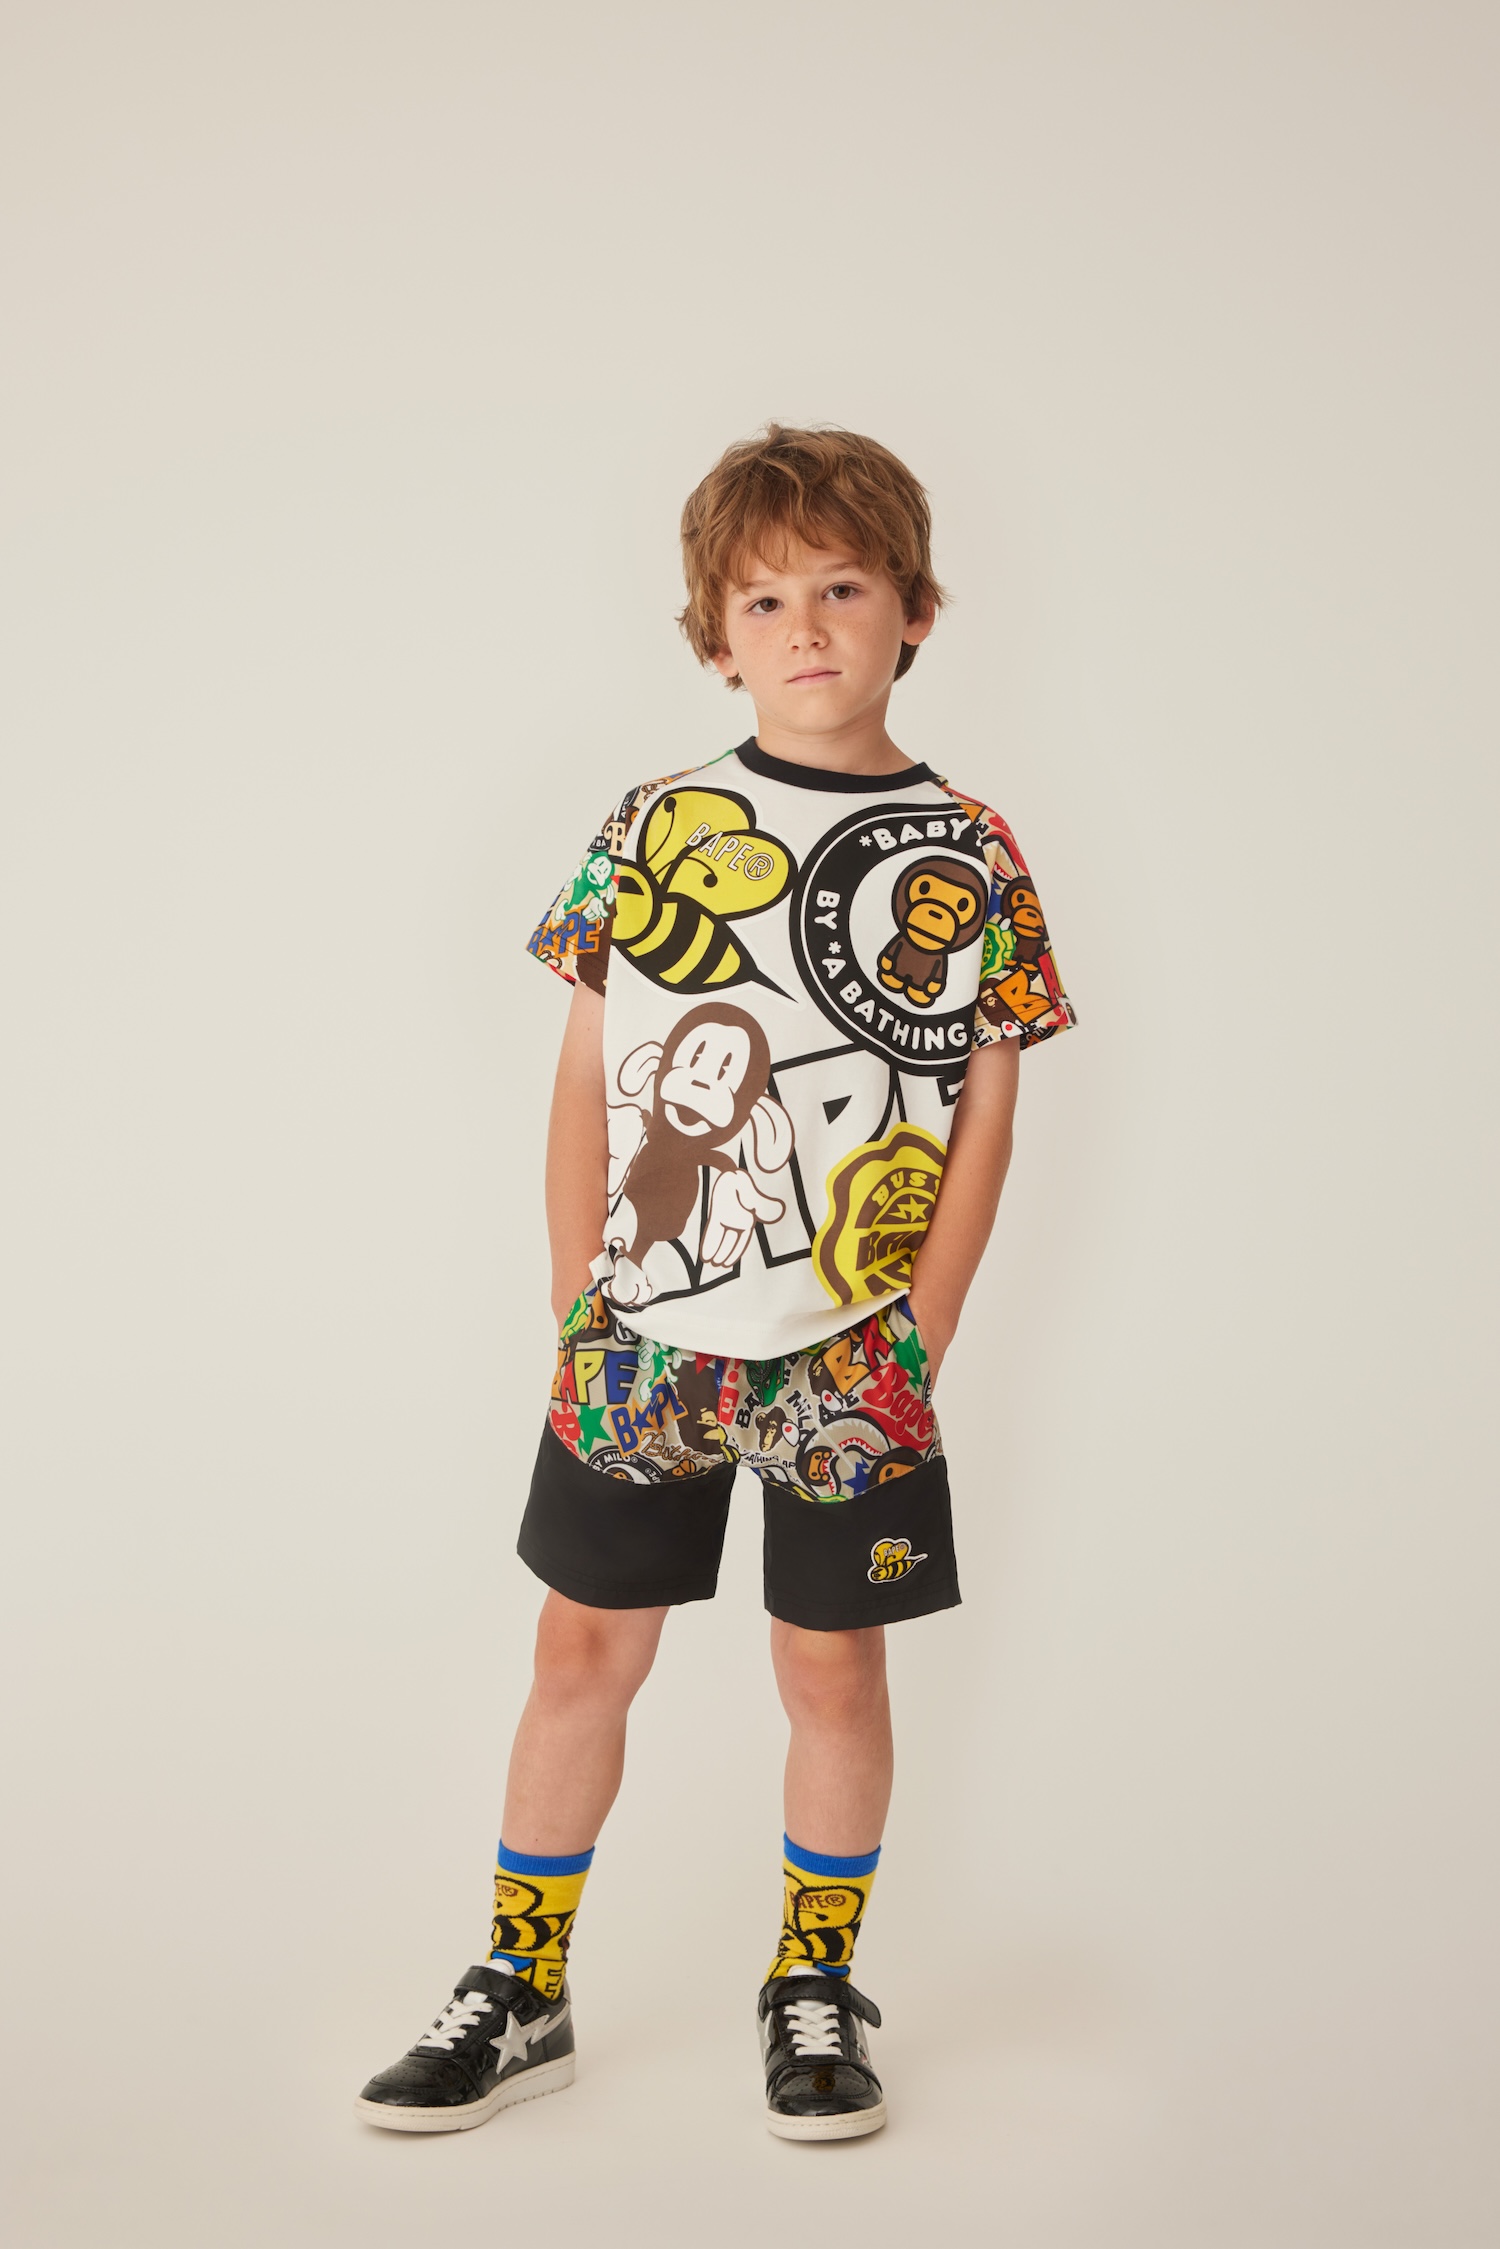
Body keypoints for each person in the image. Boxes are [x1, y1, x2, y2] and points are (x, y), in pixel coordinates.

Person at [355, 424, 1076, 2141]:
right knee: (579, 1650)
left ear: (915, 610)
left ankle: (815, 1981)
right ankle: (523, 1980)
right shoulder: (657, 824)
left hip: (851, 1357)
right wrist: (576, 1296)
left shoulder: (969, 846)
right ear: (714, 634)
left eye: (843, 586)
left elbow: (989, 1098)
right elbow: (584, 1073)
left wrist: (929, 1320)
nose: (805, 625)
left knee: (833, 1668)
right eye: (763, 599)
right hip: (643, 1341)